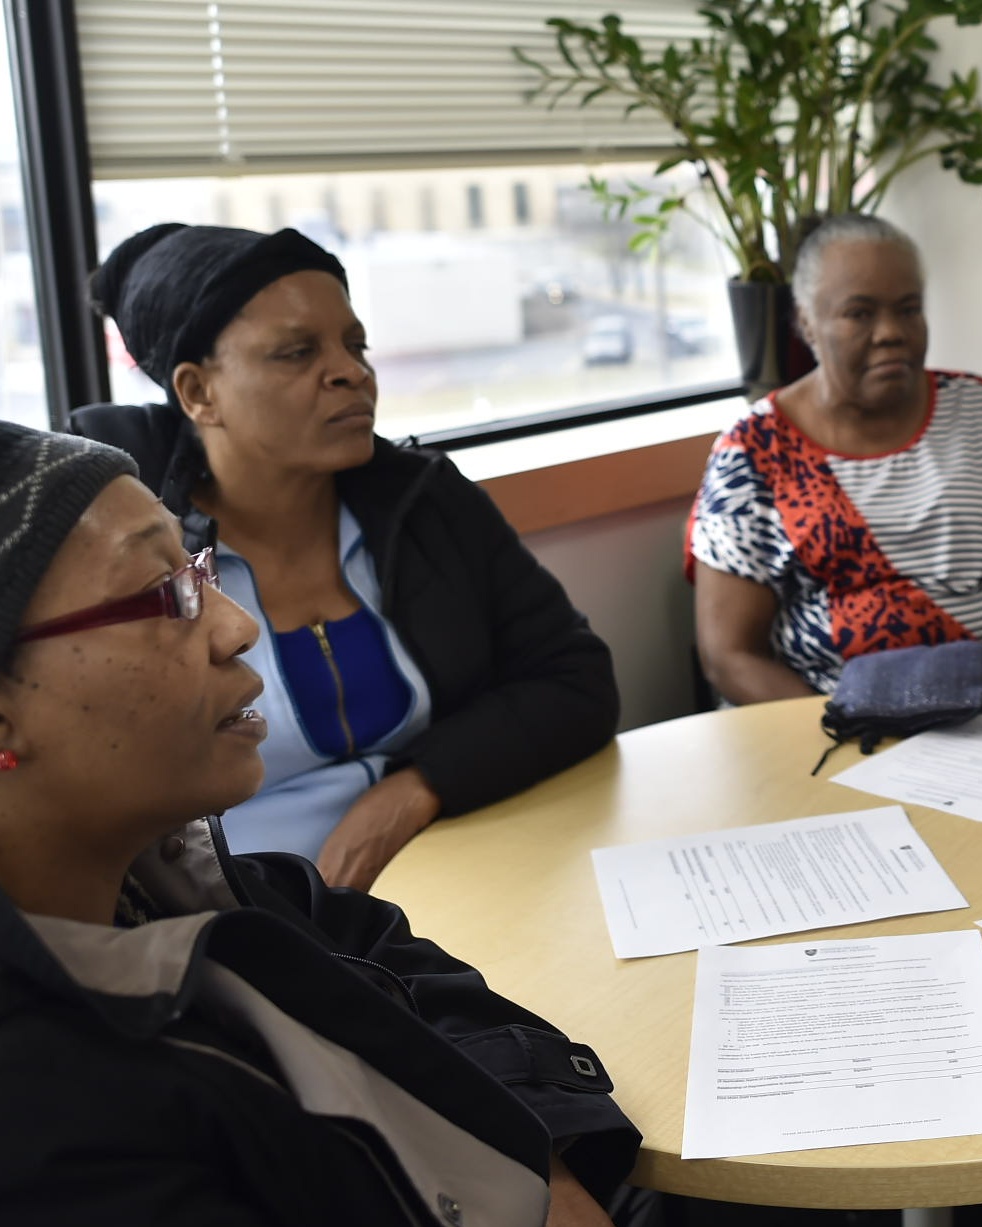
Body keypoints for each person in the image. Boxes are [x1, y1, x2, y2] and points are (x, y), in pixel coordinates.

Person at [0, 420, 643, 1227]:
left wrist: (546, 1152)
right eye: (163, 594)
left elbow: (413, 979)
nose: (236, 625)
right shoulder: (29, 1126)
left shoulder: (192, 889)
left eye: (197, 571)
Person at [73, 224, 619, 890]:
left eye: (354, 344)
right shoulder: (125, 563)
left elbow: (576, 680)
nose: (352, 372)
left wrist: (415, 788)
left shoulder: (424, 502)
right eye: (297, 352)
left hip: (459, 870)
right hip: (248, 923)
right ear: (197, 394)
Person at [687, 214, 982, 702]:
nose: (891, 332)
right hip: (826, 727)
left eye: (909, 309)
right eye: (860, 313)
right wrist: (843, 734)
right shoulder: (753, 451)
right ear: (806, 321)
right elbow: (728, 655)